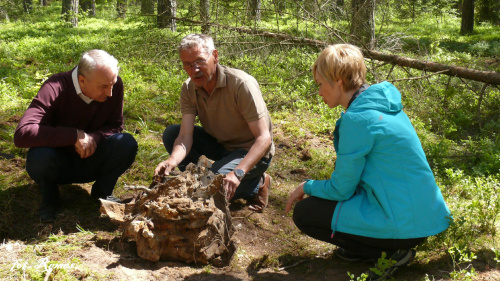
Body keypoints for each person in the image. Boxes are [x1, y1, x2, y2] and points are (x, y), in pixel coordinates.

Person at [284, 44, 450, 280]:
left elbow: (341, 189)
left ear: (338, 81)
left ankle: (388, 252)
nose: (318, 92)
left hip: (402, 225)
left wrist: (306, 186)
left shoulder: (358, 119)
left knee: (305, 213)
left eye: (320, 84)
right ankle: (363, 248)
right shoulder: (382, 105)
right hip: (420, 218)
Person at [14, 49, 138, 223]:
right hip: (57, 164)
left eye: (113, 84)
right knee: (39, 156)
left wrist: (93, 138)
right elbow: (22, 133)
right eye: (103, 87)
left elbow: (116, 126)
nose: (110, 92)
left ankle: (102, 193)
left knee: (126, 143)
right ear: (82, 80)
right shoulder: (55, 86)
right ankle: (50, 199)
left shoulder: (113, 85)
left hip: (92, 160)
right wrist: (74, 136)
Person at [154, 34, 274, 212]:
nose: (194, 70)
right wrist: (172, 161)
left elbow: (264, 139)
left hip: (251, 152)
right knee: (172, 134)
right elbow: (185, 135)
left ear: (215, 56)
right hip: (220, 145)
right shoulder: (189, 88)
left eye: (199, 61)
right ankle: (206, 179)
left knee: (209, 186)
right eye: (187, 64)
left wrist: (238, 173)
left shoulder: (241, 84)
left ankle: (258, 182)